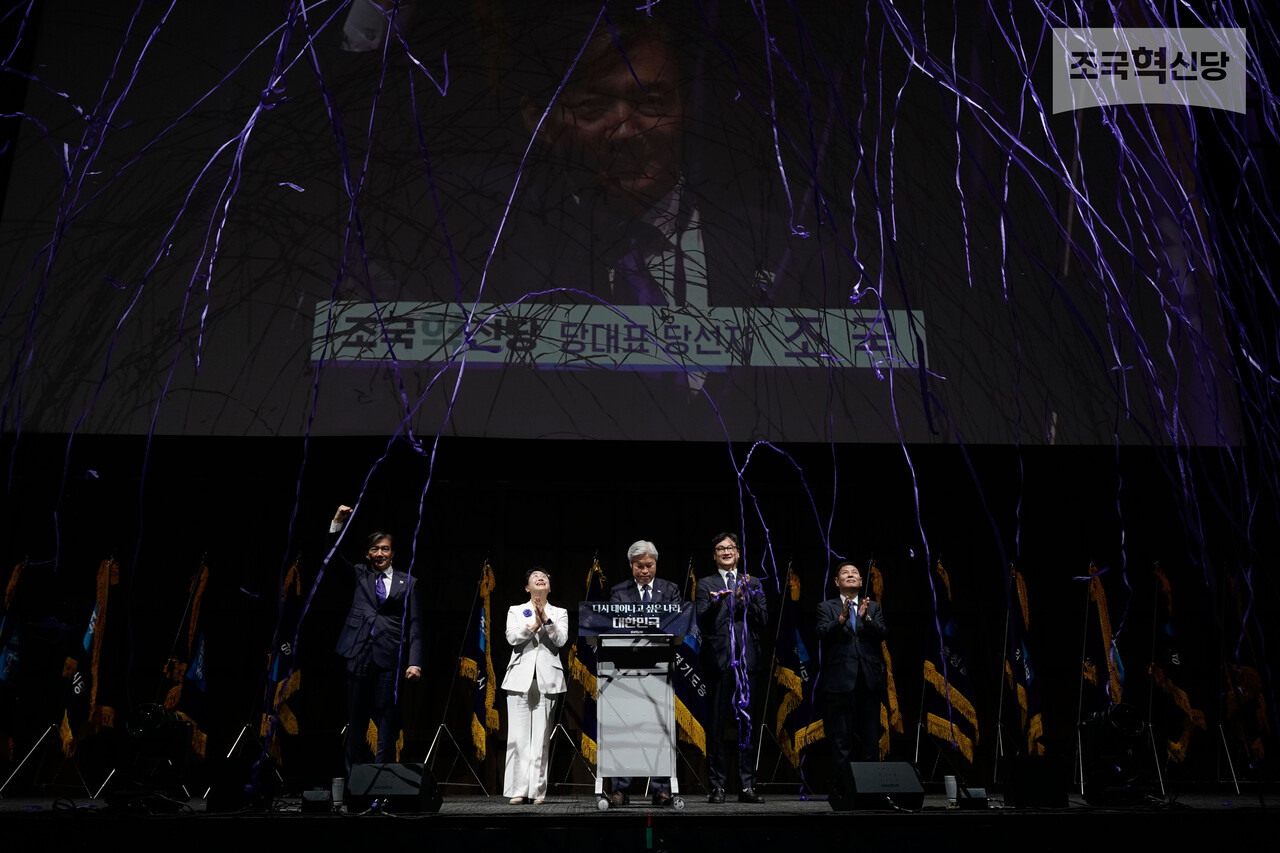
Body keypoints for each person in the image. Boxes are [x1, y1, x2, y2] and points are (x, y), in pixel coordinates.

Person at [329, 504, 422, 774]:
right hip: (358, 654)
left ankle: (382, 778)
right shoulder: (361, 574)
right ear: (367, 554)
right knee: (357, 719)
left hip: (390, 656)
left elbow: (415, 624)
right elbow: (332, 557)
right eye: (374, 549)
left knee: (386, 719)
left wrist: (414, 662)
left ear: (392, 553)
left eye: (385, 549)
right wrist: (337, 523)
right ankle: (354, 781)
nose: (379, 553)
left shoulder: (408, 582)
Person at [695, 532, 768, 804]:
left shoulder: (753, 582)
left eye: (730, 547)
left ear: (738, 553)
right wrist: (716, 603)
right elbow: (701, 620)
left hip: (747, 662)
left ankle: (747, 786)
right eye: (720, 548)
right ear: (714, 555)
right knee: (715, 726)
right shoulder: (705, 584)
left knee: (746, 726)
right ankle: (717, 786)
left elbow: (763, 619)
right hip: (718, 661)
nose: (726, 551)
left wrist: (742, 600)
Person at [607, 540, 679, 806]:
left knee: (660, 730)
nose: (645, 571)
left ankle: (661, 790)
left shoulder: (670, 590)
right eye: (639, 566)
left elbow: (675, 623)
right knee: (623, 729)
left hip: (660, 668)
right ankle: (620, 789)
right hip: (626, 670)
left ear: (656, 563)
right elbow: (616, 627)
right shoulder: (619, 592)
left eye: (649, 565)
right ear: (631, 565)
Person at [815, 561, 887, 787]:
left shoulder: (873, 607)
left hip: (868, 680)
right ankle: (842, 790)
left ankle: (871, 789)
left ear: (861, 581)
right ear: (837, 582)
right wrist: (841, 619)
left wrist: (866, 618)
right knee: (841, 740)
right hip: (840, 682)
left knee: (870, 739)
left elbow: (882, 634)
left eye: (854, 572)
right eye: (845, 573)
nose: (850, 575)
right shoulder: (826, 607)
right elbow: (821, 633)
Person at [501, 567, 568, 805]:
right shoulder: (516, 610)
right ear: (527, 588)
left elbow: (561, 640)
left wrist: (546, 619)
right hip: (519, 677)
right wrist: (533, 625)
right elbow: (512, 638)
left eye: (544, 577)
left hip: (547, 678)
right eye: (534, 577)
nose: (540, 578)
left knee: (541, 737)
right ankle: (518, 790)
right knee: (518, 737)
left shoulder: (559, 612)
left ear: (549, 587)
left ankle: (537, 791)